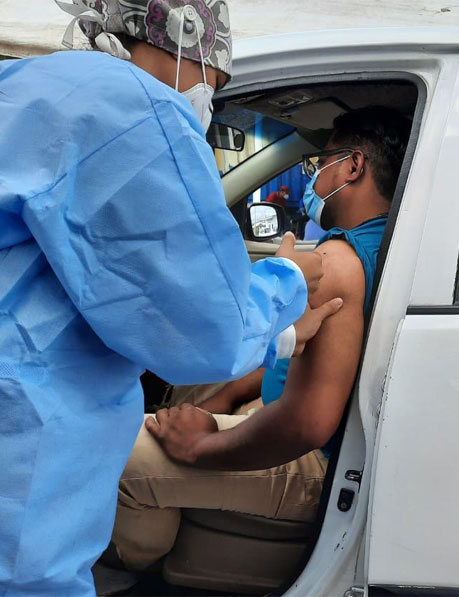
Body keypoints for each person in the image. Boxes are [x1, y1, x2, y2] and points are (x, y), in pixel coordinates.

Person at [0, 1, 341, 594]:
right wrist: (286, 283)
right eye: (218, 85)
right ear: (189, 46)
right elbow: (200, 328)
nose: (209, 101)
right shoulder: (133, 112)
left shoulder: (25, 87)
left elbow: (84, 279)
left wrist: (274, 333)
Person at [110, 106, 411, 572]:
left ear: (353, 166)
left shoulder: (339, 262)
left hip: (314, 459)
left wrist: (201, 447)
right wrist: (230, 394)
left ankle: (125, 571)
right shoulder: (383, 242)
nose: (313, 178)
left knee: (118, 457)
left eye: (320, 163)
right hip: (292, 422)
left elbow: (308, 424)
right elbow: (311, 362)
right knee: (195, 393)